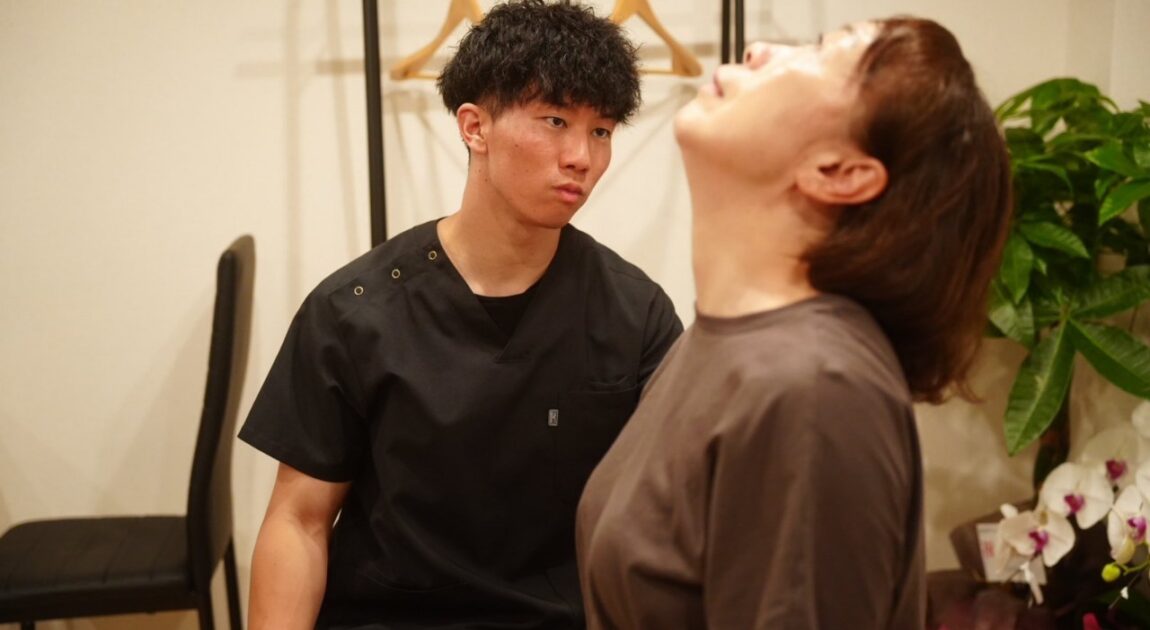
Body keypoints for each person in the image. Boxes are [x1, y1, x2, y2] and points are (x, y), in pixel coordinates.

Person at [239, 1, 682, 628]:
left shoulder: (635, 313)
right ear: (475, 127)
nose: (581, 156)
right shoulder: (355, 312)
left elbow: (672, 517)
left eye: (602, 131)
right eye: (555, 120)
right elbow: (299, 519)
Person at [577, 17, 1011, 629]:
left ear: (838, 171)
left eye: (820, 53)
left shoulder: (814, 387)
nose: (759, 49)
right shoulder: (715, 343)